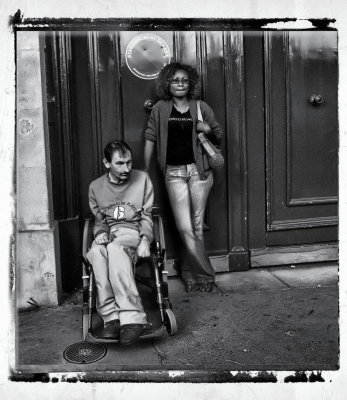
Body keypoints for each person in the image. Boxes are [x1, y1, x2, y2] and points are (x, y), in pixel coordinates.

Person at [144, 62, 223, 293]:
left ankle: (191, 274)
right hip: (174, 173)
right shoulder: (160, 108)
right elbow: (150, 137)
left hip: (200, 173)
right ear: (167, 84)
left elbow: (218, 135)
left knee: (197, 226)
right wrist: (144, 170)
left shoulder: (201, 107)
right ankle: (205, 274)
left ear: (191, 84)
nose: (180, 84)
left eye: (185, 80)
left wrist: (207, 130)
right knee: (185, 227)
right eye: (175, 80)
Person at [86, 140, 154, 345]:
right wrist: (100, 233)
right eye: (120, 163)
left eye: (129, 163)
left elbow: (147, 216)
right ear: (107, 163)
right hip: (109, 232)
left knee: (115, 249)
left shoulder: (142, 179)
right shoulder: (96, 187)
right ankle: (111, 317)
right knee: (96, 253)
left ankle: (133, 318)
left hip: (132, 232)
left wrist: (145, 240)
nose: (126, 168)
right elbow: (99, 221)